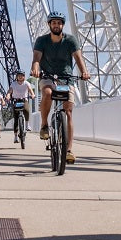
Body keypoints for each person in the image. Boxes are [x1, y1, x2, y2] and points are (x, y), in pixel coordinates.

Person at [29, 11, 92, 165]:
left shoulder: (70, 40)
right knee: (48, 92)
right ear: (49, 24)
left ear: (62, 25)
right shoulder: (42, 41)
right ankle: (44, 125)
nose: (56, 25)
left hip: (66, 78)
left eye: (59, 23)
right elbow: (36, 59)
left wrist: (84, 71)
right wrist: (35, 69)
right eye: (53, 23)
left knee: (68, 112)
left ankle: (69, 150)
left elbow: (78, 57)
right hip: (48, 76)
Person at [7, 70, 35, 135]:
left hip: (24, 100)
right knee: (16, 118)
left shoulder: (26, 83)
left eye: (22, 75)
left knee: (26, 110)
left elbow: (30, 90)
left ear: (24, 77)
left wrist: (33, 95)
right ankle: (15, 136)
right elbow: (10, 90)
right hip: (16, 100)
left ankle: (27, 124)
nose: (20, 77)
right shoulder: (13, 84)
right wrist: (8, 95)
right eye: (19, 75)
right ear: (16, 77)